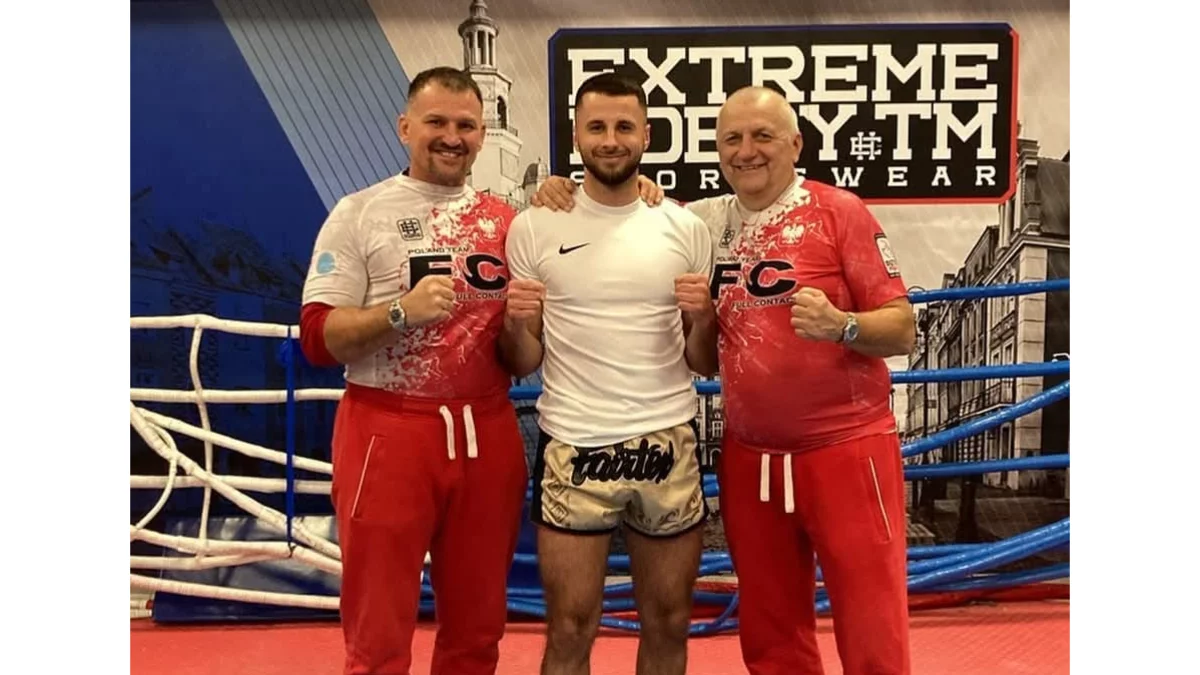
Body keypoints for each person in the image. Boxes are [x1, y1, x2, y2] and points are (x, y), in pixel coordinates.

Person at [533, 85, 917, 675]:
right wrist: (556, 189)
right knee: (769, 626)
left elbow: (903, 329)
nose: (746, 151)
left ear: (795, 143)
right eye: (732, 139)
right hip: (751, 454)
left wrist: (843, 326)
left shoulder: (838, 211)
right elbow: (630, 208)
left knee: (870, 621)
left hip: (844, 447)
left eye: (762, 136)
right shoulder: (704, 222)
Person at [298, 66, 530, 675]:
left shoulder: (509, 222)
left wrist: (520, 327)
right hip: (388, 431)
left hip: (486, 430)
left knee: (478, 628)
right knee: (378, 631)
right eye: (436, 122)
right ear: (405, 128)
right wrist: (399, 311)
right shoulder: (360, 212)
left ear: (483, 135)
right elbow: (317, 337)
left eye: (465, 125)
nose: (451, 137)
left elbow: (519, 356)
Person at [499, 71, 716, 675]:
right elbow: (522, 361)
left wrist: (704, 319)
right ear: (576, 136)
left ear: (646, 135)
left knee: (670, 621)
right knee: (569, 627)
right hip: (574, 441)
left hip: (666, 438)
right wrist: (516, 324)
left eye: (624, 126)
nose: (611, 140)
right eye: (597, 127)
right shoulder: (535, 226)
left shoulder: (685, 228)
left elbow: (704, 361)